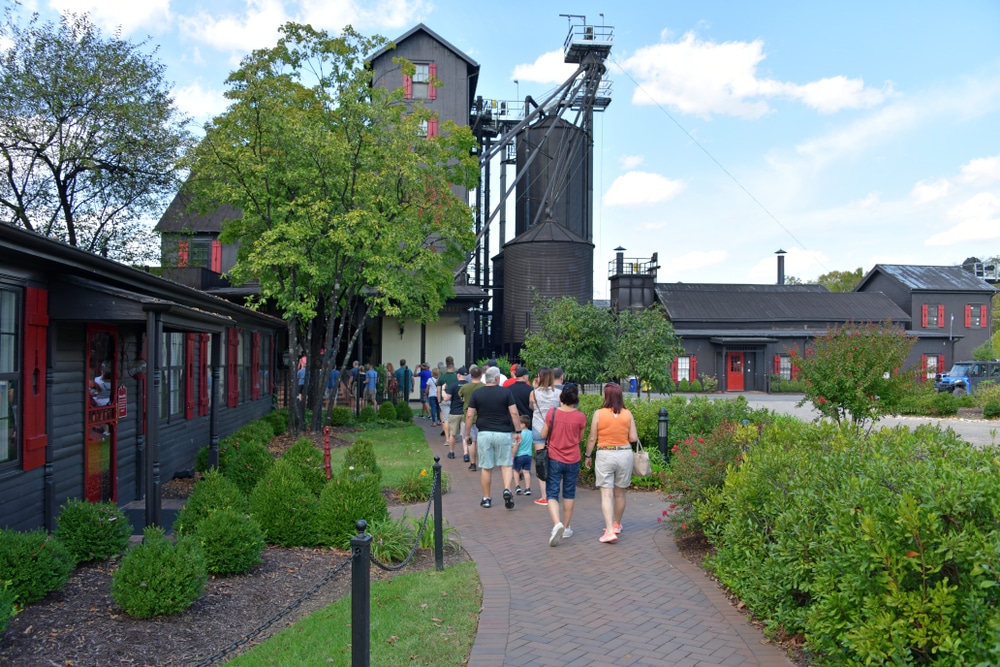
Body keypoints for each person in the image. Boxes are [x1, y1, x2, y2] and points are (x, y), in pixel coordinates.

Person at [584, 382, 638, 544]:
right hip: (624, 454)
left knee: (606, 493)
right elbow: (633, 438)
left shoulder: (599, 413)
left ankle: (609, 531)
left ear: (606, 396)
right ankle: (617, 524)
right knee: (620, 493)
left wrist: (587, 455)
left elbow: (592, 437)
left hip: (605, 454)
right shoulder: (628, 414)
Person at [465, 366, 522, 509]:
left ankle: (486, 498)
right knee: (506, 464)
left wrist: (467, 434)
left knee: (486, 467)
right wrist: (518, 431)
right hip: (503, 433)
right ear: (497, 378)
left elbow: (470, 415)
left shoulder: (477, 394)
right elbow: (514, 413)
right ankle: (507, 489)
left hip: (484, 433)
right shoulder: (506, 392)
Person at [541, 383, 586, 546]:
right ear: (576, 399)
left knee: (552, 492)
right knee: (569, 492)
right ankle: (566, 528)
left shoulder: (552, 413)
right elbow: (580, 438)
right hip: (573, 458)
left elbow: (543, 433)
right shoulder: (580, 417)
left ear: (561, 397)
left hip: (554, 457)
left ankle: (556, 524)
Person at [529, 367, 560, 506]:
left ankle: (544, 496)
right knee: (554, 460)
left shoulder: (533, 393)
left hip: (537, 427)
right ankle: (554, 492)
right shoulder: (558, 393)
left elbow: (531, 407)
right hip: (554, 428)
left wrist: (535, 388)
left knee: (541, 461)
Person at [459, 365, 485, 471]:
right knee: (482, 442)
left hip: (468, 417)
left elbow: (460, 396)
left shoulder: (465, 387)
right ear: (481, 375)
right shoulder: (484, 387)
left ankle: (473, 463)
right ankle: (484, 463)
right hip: (482, 417)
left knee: (471, 441)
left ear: (470, 375)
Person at [443, 366, 469, 461]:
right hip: (465, 413)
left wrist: (442, 390)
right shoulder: (468, 385)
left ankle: (451, 452)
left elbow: (446, 398)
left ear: (458, 375)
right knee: (465, 435)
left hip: (454, 412)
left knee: (452, 434)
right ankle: (466, 454)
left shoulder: (453, 385)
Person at [513, 414, 534, 496]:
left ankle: (517, 486)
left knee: (516, 471)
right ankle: (527, 488)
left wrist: (512, 455)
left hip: (519, 455)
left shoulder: (518, 434)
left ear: (523, 424)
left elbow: (515, 445)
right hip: (528, 455)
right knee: (526, 472)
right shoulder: (531, 433)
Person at [438, 357, 458, 440]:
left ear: (446, 362)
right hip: (454, 397)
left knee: (444, 416)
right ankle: (453, 434)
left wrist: (439, 400)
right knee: (454, 418)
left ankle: (446, 435)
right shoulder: (456, 371)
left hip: (444, 396)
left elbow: (438, 382)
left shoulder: (442, 371)